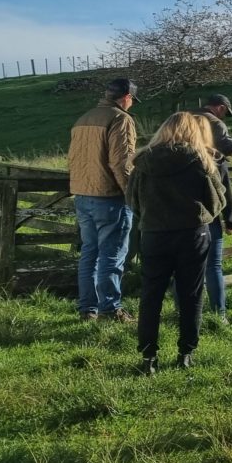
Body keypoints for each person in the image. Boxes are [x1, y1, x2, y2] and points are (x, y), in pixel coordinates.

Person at [127, 112, 226, 375]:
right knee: (191, 294)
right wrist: (201, 215)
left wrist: (149, 216)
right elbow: (218, 201)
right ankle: (186, 352)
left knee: (151, 295)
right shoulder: (200, 160)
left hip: (154, 234)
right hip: (191, 234)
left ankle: (149, 356)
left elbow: (132, 200)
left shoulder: (143, 162)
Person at [68, 77, 139, 322]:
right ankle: (110, 309)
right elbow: (121, 162)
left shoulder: (83, 119)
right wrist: (131, 194)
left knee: (89, 254)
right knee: (112, 255)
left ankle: (88, 309)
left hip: (83, 194)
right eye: (132, 101)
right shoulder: (121, 119)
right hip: (110, 196)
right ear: (127, 97)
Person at [195, 94, 232, 322]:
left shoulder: (179, 119)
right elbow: (228, 149)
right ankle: (219, 315)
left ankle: (185, 313)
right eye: (225, 113)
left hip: (175, 212)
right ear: (220, 108)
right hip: (208, 210)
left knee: (183, 266)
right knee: (213, 265)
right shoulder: (215, 127)